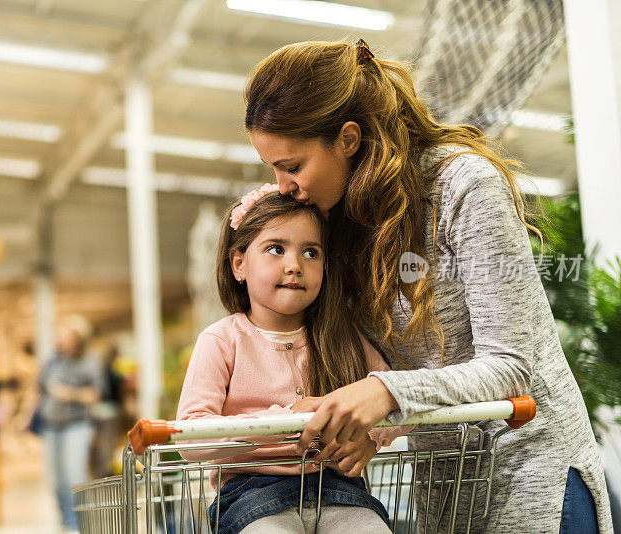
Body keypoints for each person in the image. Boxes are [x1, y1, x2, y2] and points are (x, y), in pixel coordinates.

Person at [243, 39, 611, 533]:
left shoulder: (464, 185)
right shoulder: (340, 227)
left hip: (533, 480)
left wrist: (383, 393)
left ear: (348, 139)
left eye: (292, 165)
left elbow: (512, 367)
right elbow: (395, 369)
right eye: (274, 168)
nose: (283, 185)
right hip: (448, 487)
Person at [176, 185, 410, 534]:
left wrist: (370, 435)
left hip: (341, 491)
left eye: (311, 252)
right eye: (275, 249)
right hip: (252, 496)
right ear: (239, 264)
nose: (294, 265)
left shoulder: (342, 338)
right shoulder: (221, 341)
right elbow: (191, 437)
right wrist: (282, 423)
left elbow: (398, 398)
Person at [38, 315, 104, 533]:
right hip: (51, 426)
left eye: (65, 335)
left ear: (78, 338)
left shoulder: (90, 361)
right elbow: (40, 390)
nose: (60, 339)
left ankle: (78, 523)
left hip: (77, 424)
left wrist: (71, 394)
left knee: (74, 475)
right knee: (55, 478)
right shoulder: (53, 360)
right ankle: (65, 521)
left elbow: (95, 395)